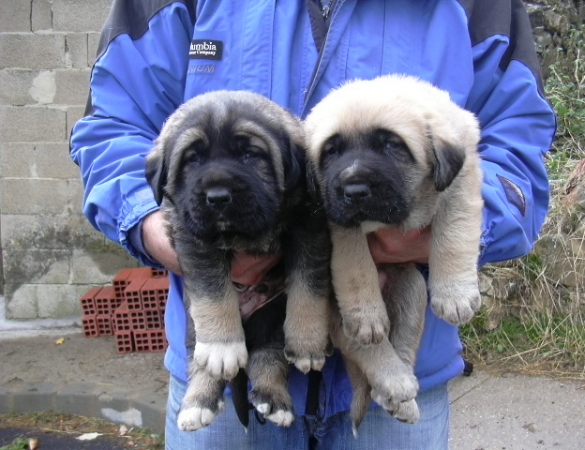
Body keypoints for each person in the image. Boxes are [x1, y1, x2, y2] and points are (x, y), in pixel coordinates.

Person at [70, 0, 556, 448]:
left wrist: (437, 234)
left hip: (404, 372)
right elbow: (113, 127)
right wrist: (158, 229)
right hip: (224, 358)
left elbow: (516, 147)